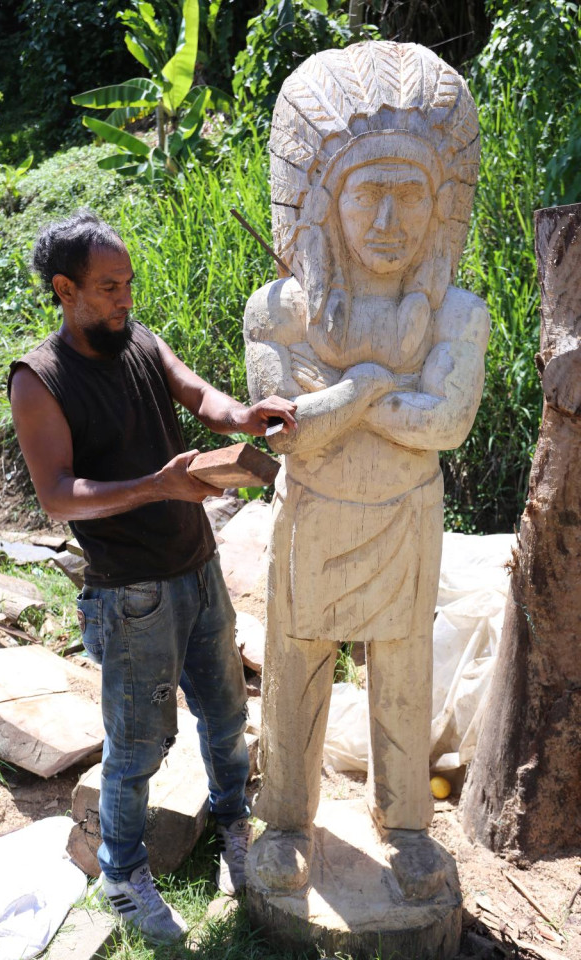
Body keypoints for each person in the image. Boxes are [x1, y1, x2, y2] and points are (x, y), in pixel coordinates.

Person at [8, 208, 297, 943]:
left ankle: (233, 825)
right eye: (108, 287)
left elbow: (201, 397)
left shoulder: (138, 341)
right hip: (129, 593)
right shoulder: (39, 380)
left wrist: (244, 417)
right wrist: (156, 487)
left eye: (128, 283)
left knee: (228, 718)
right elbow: (57, 495)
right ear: (65, 289)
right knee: (138, 747)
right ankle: (123, 872)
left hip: (197, 569)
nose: (125, 298)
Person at [244, 41, 489, 896]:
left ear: (440, 208)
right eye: (366, 195)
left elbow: (448, 424)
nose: (388, 226)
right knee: (295, 669)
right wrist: (383, 391)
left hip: (405, 519)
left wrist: (348, 394)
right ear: (323, 205)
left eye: (409, 197)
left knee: (403, 672)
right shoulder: (281, 312)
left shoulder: (456, 315)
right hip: (312, 516)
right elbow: (285, 435)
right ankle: (282, 820)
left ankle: (410, 824)